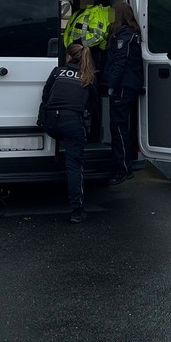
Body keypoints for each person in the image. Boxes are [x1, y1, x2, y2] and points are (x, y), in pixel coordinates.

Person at [38, 43, 99, 223]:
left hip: (50, 123)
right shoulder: (88, 77)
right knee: (74, 164)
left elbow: (45, 95)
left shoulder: (57, 72)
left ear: (69, 58)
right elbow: (94, 107)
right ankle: (77, 210)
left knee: (66, 139)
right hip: (71, 123)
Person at [103, 2, 144, 185]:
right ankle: (124, 164)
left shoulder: (124, 36)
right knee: (123, 126)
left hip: (123, 85)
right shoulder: (128, 34)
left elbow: (120, 62)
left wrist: (111, 85)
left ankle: (122, 169)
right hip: (128, 84)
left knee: (118, 126)